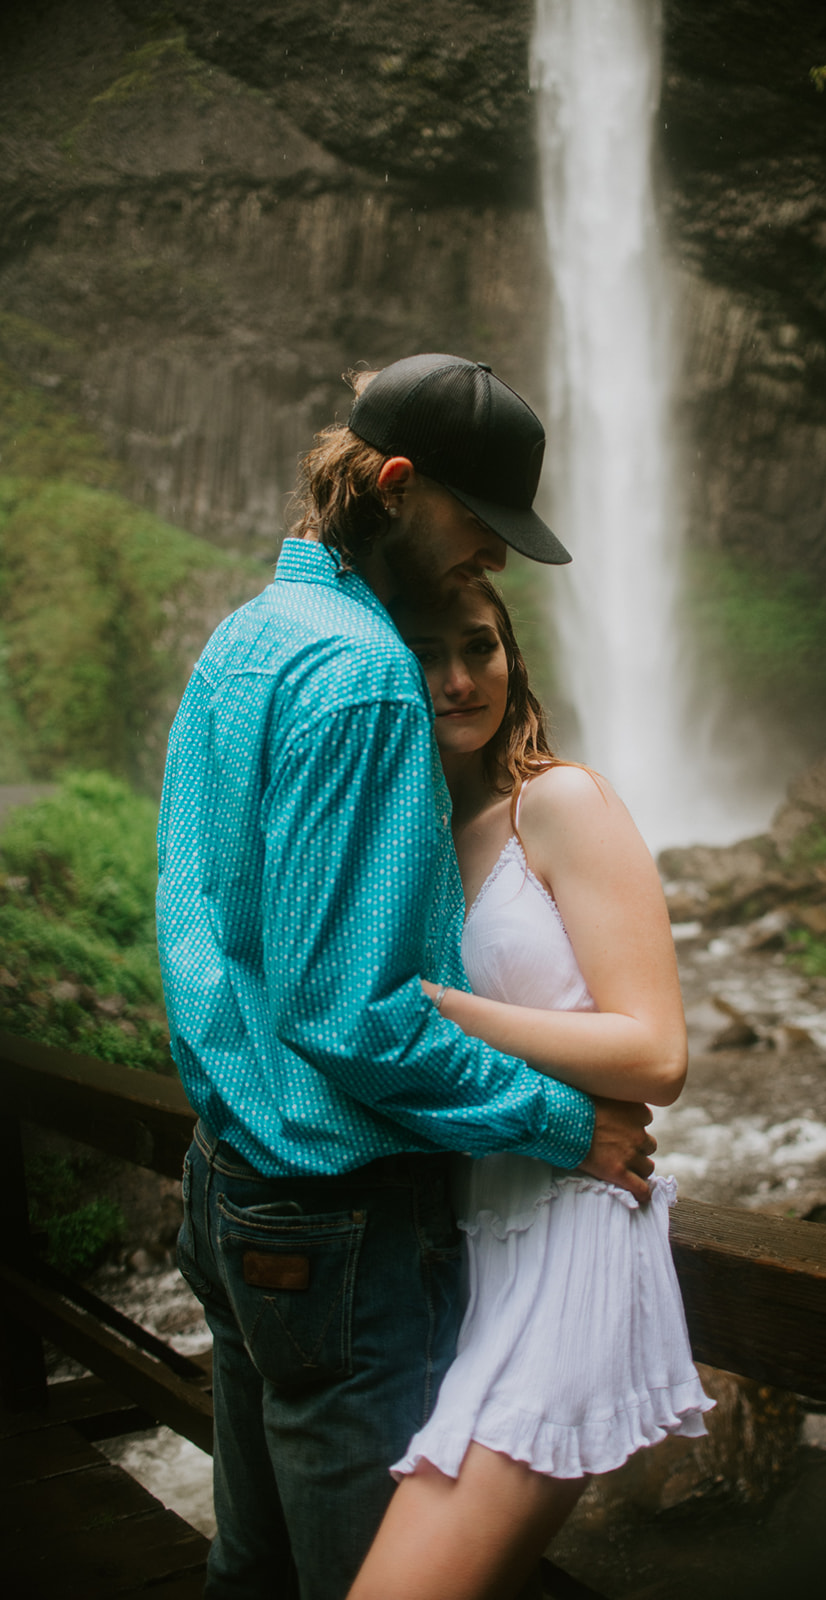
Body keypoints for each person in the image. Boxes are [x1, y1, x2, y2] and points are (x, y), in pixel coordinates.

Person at [155, 353, 656, 1600]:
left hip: (226, 1183)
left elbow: (194, 914)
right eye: (482, 531)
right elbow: (352, 1015)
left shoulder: (249, 635)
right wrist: (560, 1126)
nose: (489, 561)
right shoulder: (369, 676)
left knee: (249, 1566)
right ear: (394, 484)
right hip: (338, 1218)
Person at [348, 578, 713, 1600]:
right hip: (477, 1251)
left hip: (572, 1239)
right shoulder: (417, 849)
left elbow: (655, 1055)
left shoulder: (557, 803)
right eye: (430, 653)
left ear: (515, 658)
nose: (463, 678)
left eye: (482, 646)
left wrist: (435, 1008)